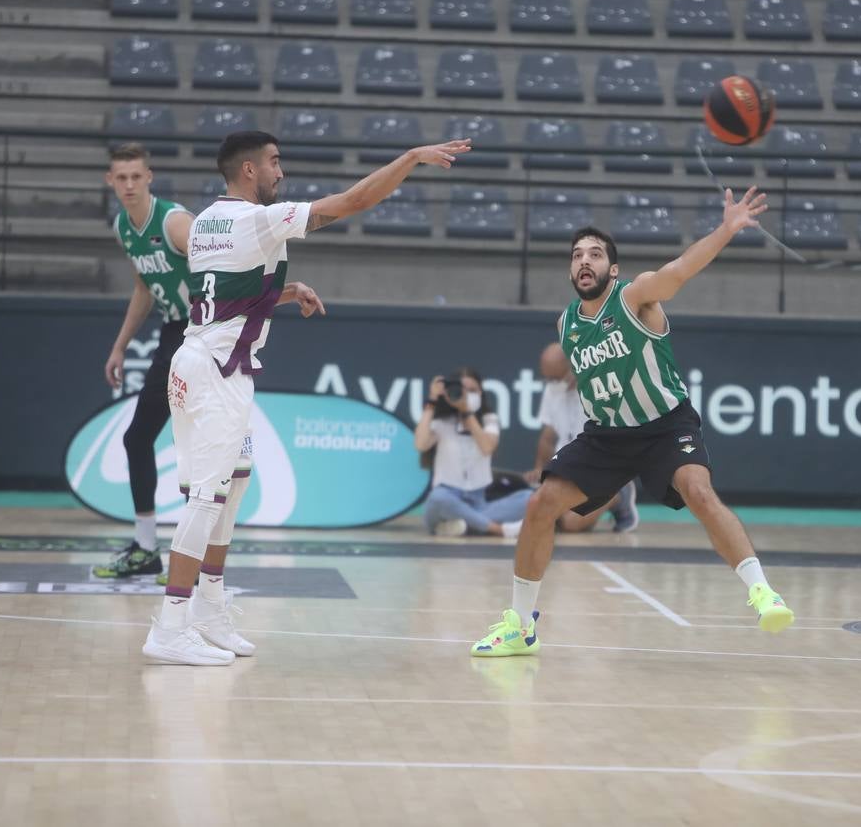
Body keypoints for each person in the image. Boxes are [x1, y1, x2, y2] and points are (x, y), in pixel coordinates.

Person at [143, 130, 471, 665]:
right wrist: (411, 157)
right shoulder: (257, 219)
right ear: (248, 171)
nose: (281, 171)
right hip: (216, 374)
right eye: (274, 162)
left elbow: (225, 295)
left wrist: (285, 292)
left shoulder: (207, 222)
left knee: (237, 480)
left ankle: (208, 607)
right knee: (207, 496)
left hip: (200, 363)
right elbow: (353, 202)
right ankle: (170, 624)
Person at [471, 187, 795, 657]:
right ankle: (520, 627)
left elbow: (680, 271)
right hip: (607, 436)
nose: (585, 261)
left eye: (596, 254)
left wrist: (725, 230)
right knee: (541, 504)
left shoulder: (635, 297)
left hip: (665, 425)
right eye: (577, 255)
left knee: (698, 492)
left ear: (612, 268)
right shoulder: (566, 325)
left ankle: (763, 591)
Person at [93, 144, 194, 582]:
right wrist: (119, 346)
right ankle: (147, 548)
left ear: (150, 177)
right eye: (121, 177)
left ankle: (193, 558)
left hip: (207, 332)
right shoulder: (123, 227)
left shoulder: (174, 222)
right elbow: (143, 287)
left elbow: (224, 269)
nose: (129, 184)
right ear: (110, 182)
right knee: (138, 439)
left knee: (196, 450)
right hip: (174, 332)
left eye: (137, 176)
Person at [527, 342, 638, 533]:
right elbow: (547, 437)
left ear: (574, 366)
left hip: (602, 469)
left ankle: (619, 494)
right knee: (542, 513)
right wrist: (539, 469)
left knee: (570, 524)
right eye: (548, 379)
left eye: (556, 378)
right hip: (565, 469)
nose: (552, 383)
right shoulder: (553, 390)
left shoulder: (604, 389)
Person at [415, 368, 533, 538]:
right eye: (462, 390)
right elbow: (420, 444)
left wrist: (467, 414)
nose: (467, 395)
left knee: (528, 498)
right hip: (447, 498)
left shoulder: (489, 420)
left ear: (481, 392)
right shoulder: (441, 422)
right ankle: (498, 530)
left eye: (473, 391)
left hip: (478, 502)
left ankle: (458, 527)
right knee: (437, 498)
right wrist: (432, 401)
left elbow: (487, 447)